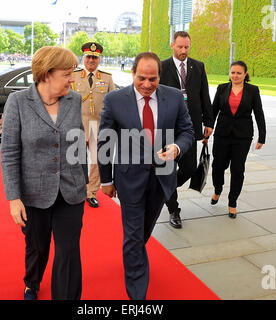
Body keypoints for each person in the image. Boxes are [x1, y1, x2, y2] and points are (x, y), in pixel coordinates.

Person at [98, 52, 194, 299]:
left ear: (159, 77)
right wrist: (106, 180)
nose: (147, 84)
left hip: (162, 177)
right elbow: (105, 142)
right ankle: (137, 293)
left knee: (142, 230)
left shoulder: (173, 97)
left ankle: (132, 257)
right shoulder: (115, 99)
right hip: (129, 178)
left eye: (153, 79)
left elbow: (187, 131)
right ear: (132, 73)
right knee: (132, 232)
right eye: (142, 78)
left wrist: (177, 147)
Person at [1, 46, 88, 300]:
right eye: (67, 73)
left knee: (68, 251)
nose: (72, 79)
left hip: (71, 191)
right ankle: (32, 281)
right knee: (38, 248)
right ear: (47, 74)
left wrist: (85, 183)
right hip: (34, 193)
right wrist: (13, 198)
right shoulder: (18, 102)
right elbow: (9, 153)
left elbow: (78, 142)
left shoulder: (73, 100)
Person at [159, 31, 214, 229]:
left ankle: (164, 188)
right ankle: (174, 210)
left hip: (190, 127)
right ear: (172, 45)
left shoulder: (197, 66)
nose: (183, 51)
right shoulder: (162, 67)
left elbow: (204, 95)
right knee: (169, 168)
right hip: (167, 127)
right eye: (180, 47)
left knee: (190, 168)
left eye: (187, 47)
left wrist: (209, 121)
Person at [211, 61, 266, 218]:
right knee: (218, 166)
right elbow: (214, 110)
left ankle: (232, 202)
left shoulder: (253, 91)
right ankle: (217, 189)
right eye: (232, 72)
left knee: (237, 170)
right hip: (222, 134)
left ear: (245, 74)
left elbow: (259, 113)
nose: (235, 76)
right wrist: (208, 129)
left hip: (242, 136)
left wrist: (262, 136)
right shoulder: (222, 88)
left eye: (238, 73)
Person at [71, 42, 115, 208]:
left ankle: (91, 193)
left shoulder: (107, 78)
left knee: (97, 161)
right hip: (77, 125)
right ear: (84, 57)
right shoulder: (74, 76)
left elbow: (112, 102)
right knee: (77, 160)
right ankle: (77, 190)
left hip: (98, 127)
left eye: (95, 57)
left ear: (99, 59)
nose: (91, 60)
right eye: (89, 57)